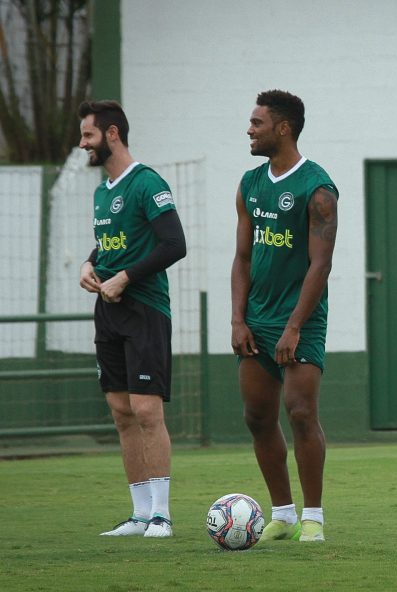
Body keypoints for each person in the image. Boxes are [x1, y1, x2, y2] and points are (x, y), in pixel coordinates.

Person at [231, 90, 338, 543]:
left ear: (283, 128)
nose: (249, 130)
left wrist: (294, 326)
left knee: (299, 411)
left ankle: (313, 517)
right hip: (256, 319)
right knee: (257, 417)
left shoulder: (317, 188)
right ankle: (283, 514)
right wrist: (238, 319)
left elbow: (321, 263)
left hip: (302, 319)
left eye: (256, 123)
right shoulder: (249, 184)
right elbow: (242, 258)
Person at [77, 100, 187, 538]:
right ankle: (139, 513)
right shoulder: (102, 191)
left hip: (145, 310)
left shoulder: (147, 183)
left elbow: (173, 244)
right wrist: (90, 263)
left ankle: (162, 514)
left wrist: (125, 277)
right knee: (121, 412)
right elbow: (110, 242)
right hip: (108, 311)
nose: (82, 142)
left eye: (88, 134)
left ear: (112, 134)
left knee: (146, 410)